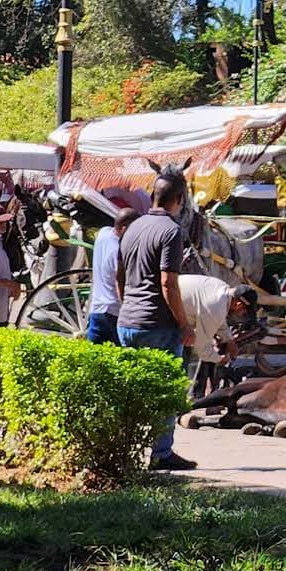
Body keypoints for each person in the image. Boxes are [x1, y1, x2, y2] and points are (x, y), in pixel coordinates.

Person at [117, 170, 197, 472]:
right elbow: (168, 283)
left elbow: (119, 276)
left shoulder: (132, 227)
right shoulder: (171, 231)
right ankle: (161, 453)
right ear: (180, 199)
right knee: (165, 391)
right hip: (159, 325)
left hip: (128, 322)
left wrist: (129, 305)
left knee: (133, 390)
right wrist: (184, 323)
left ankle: (125, 449)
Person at [86, 209, 134, 345]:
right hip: (114, 311)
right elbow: (120, 281)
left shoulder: (103, 233)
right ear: (124, 229)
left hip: (96, 308)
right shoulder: (119, 251)